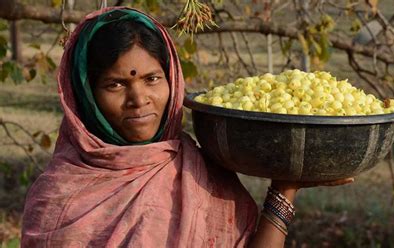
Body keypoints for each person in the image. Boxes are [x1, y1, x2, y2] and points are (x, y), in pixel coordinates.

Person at [21, 7, 352, 247]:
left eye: (152, 79)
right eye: (116, 85)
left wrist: (284, 190)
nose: (140, 99)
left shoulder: (197, 168)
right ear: (85, 96)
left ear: (172, 81)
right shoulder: (58, 200)